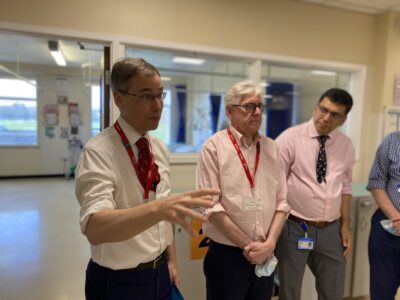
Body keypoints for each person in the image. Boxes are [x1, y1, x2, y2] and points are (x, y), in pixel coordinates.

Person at [75, 57, 219, 300]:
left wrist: (171, 261)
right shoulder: (98, 151)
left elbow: (165, 214)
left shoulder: (158, 147)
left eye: (161, 95)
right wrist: (158, 209)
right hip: (119, 281)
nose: (158, 105)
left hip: (160, 273)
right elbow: (95, 228)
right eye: (146, 96)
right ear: (119, 98)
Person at [196, 80, 290, 300]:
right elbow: (211, 207)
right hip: (228, 255)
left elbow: (282, 202)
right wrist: (250, 247)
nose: (257, 112)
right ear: (230, 111)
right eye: (249, 106)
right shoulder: (213, 147)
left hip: (266, 251)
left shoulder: (272, 148)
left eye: (260, 106)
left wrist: (270, 244)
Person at [275, 88, 355, 300]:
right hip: (294, 227)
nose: (326, 117)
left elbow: (345, 188)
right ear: (315, 107)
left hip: (331, 230)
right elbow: (275, 186)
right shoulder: (289, 139)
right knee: (289, 291)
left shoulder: (346, 145)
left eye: (335, 114)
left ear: (343, 119)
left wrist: (345, 225)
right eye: (323, 110)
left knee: (333, 291)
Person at [367, 131, 400, 300]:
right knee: (381, 293)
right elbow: (376, 182)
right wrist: (396, 217)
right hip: (388, 228)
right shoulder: (392, 141)